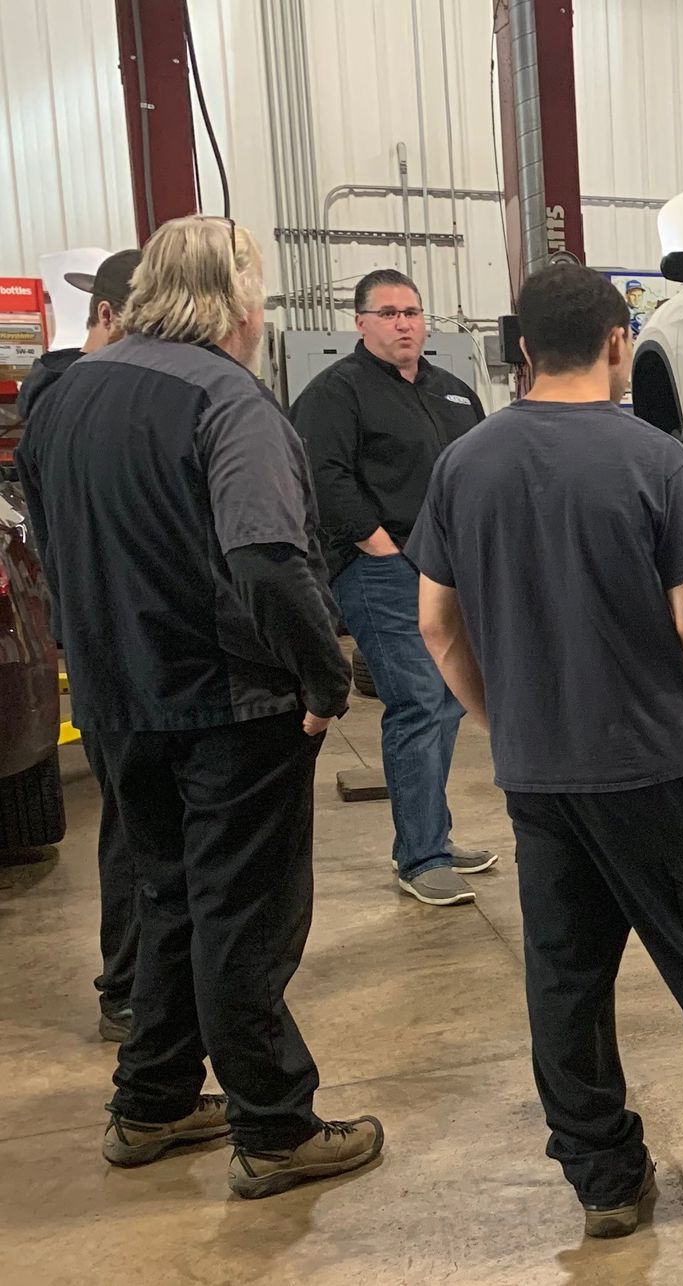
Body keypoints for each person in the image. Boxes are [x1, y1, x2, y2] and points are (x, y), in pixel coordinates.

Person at [409, 263, 683, 1237]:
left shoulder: (464, 463)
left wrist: (502, 719)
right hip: (656, 763)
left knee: (564, 978)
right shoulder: (652, 457)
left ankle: (604, 1180)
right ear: (616, 343)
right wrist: (679, 694)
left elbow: (436, 624)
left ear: (521, 350)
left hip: (538, 773)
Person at [18, 216, 383, 1197]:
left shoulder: (61, 396)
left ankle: (153, 1099)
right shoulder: (231, 400)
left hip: (114, 701)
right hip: (230, 705)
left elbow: (47, 548)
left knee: (169, 897)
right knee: (244, 916)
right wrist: (322, 675)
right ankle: (274, 1123)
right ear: (237, 304)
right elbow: (266, 554)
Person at [292, 269, 493, 907]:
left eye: (412, 311)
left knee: (452, 699)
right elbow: (322, 477)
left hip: (453, 567)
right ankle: (421, 857)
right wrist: (380, 546)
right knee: (417, 701)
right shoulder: (335, 393)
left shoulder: (454, 393)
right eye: (388, 313)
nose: (404, 323)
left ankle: (432, 833)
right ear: (360, 323)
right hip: (383, 569)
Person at [18, 248, 142, 1042]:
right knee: (136, 826)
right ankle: (130, 987)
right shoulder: (73, 401)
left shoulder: (60, 403)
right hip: (118, 641)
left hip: (105, 636)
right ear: (106, 316)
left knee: (139, 824)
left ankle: (141, 985)